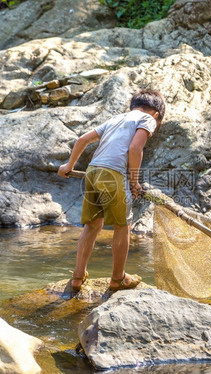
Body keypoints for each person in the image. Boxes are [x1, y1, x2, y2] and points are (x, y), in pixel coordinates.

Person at [57, 89, 165, 292]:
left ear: (133, 106)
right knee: (122, 226)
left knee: (92, 224)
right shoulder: (148, 119)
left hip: (93, 171)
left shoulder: (117, 118)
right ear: (156, 114)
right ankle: (117, 279)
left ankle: (78, 277)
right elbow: (135, 149)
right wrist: (134, 182)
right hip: (113, 175)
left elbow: (82, 140)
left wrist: (68, 166)